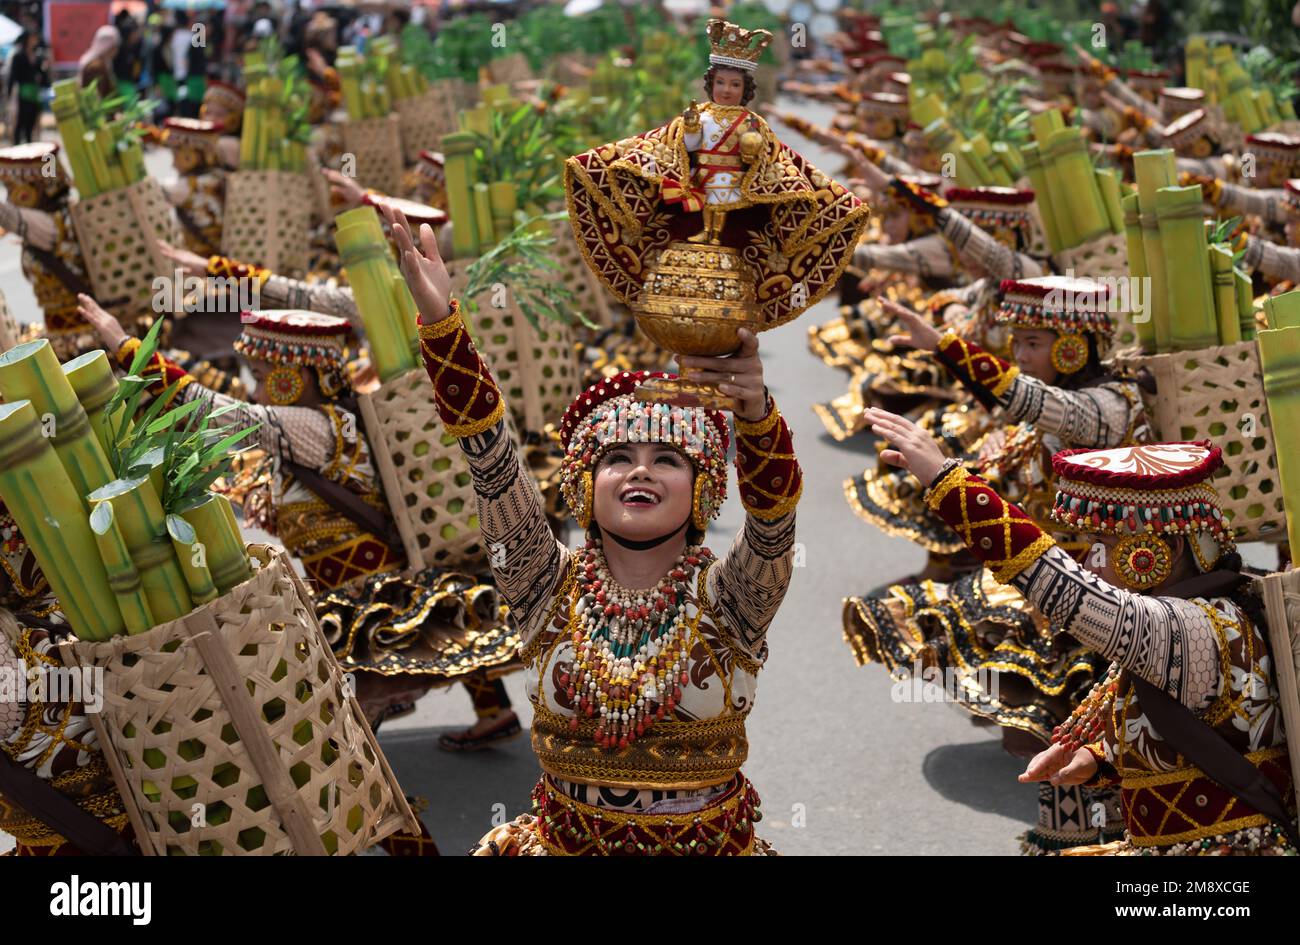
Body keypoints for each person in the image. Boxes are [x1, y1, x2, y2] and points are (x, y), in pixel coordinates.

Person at [386, 194, 802, 854]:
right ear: (584, 484)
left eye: (667, 458)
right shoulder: (544, 584)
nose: (640, 471)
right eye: (617, 458)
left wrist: (756, 416)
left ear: (702, 490)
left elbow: (774, 524)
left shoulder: (732, 599)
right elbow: (492, 462)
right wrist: (442, 323)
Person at [75, 293, 526, 751]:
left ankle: (367, 791)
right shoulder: (318, 424)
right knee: (430, 645)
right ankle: (491, 712)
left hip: (368, 589)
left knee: (355, 699)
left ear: (293, 377)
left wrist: (129, 347)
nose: (255, 389)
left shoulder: (314, 428)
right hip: (349, 582)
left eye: (264, 378)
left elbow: (217, 412)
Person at [864, 417, 1297, 855]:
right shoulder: (1205, 612)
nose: (1091, 563)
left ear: (1166, 551)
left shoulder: (1191, 626)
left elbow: (1062, 588)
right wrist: (1098, 758)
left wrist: (949, 483)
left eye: (1104, 543)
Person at [7, 30, 47, 146]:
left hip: (35, 93)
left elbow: (43, 78)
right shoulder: (18, 56)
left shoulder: (38, 56)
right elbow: (13, 77)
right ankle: (16, 147)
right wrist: (10, 95)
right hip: (22, 93)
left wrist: (44, 69)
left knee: (32, 123)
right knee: (20, 123)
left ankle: (30, 148)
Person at [77, 25, 120, 99]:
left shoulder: (105, 62)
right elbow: (97, 94)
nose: (116, 51)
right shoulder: (95, 66)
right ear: (107, 46)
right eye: (114, 47)